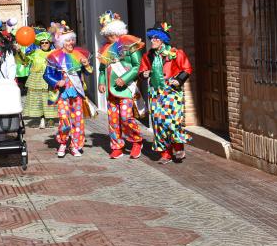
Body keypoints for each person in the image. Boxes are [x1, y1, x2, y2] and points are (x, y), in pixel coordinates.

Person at [139, 22, 193, 164]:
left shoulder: (175, 53)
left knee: (172, 121)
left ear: (163, 39)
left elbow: (186, 69)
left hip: (171, 91)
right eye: (151, 38)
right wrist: (144, 74)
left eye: (156, 38)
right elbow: (142, 71)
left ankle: (178, 147)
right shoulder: (148, 56)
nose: (152, 41)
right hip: (155, 92)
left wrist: (179, 80)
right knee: (158, 122)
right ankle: (166, 153)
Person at [97, 11, 145, 159]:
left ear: (117, 32)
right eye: (107, 35)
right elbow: (103, 68)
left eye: (111, 35)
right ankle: (116, 146)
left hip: (126, 88)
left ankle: (137, 141)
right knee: (113, 119)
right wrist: (101, 81)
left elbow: (137, 66)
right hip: (111, 90)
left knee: (125, 117)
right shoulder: (105, 48)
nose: (108, 38)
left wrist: (124, 78)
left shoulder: (130, 44)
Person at [43, 22, 95, 157]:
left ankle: (75, 146)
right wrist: (56, 82)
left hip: (77, 92)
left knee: (78, 120)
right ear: (61, 42)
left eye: (72, 40)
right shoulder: (54, 56)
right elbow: (47, 74)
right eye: (68, 40)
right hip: (62, 93)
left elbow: (89, 73)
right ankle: (62, 143)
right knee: (64, 120)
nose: (71, 42)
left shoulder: (79, 54)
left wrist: (87, 65)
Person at [21, 31, 58, 128]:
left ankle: (50, 119)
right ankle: (42, 119)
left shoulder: (54, 53)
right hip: (37, 80)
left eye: (46, 42)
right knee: (39, 100)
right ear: (39, 44)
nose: (44, 44)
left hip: (50, 80)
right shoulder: (35, 53)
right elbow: (24, 60)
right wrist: (18, 51)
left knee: (50, 99)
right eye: (42, 42)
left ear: (50, 43)